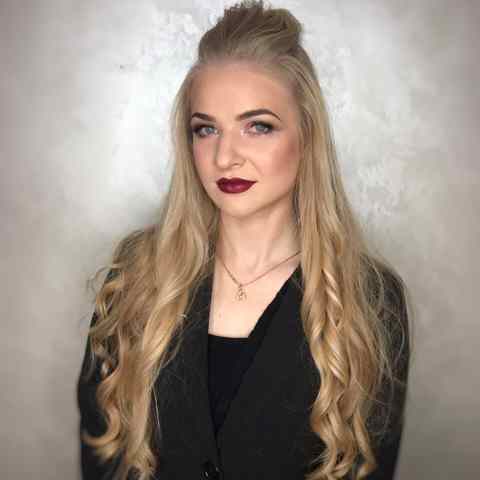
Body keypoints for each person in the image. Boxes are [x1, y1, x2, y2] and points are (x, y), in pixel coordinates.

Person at [76, 1, 411, 479]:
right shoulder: (135, 277)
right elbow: (101, 461)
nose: (225, 156)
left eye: (258, 126)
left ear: (307, 135)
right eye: (206, 129)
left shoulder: (371, 299)